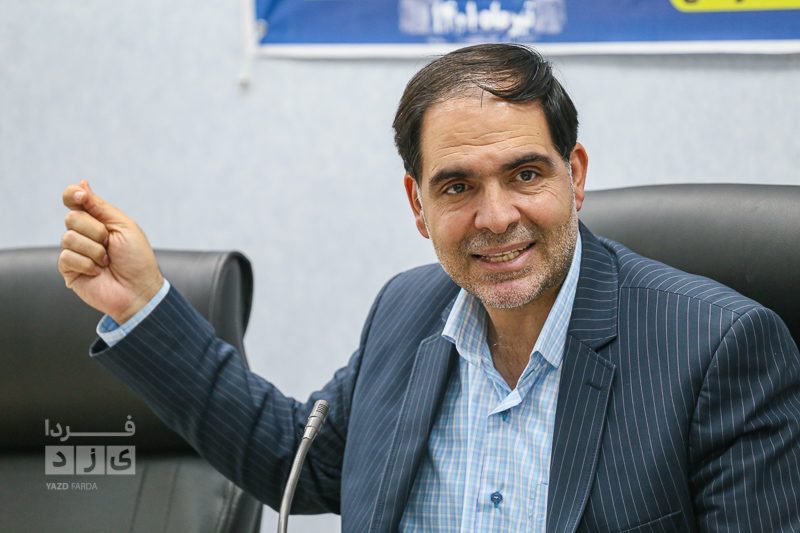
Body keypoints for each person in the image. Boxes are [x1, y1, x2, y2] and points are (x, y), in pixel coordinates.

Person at [59, 44, 800, 532]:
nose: (496, 217)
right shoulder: (406, 310)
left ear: (575, 177)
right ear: (419, 206)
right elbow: (300, 462)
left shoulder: (718, 349)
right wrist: (141, 305)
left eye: (526, 174)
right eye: (458, 186)